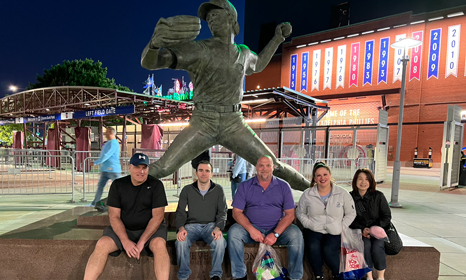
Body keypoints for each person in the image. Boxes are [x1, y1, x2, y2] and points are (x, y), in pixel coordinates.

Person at [141, 0, 311, 192]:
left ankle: (318, 191)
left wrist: (277, 39)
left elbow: (260, 63)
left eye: (216, 14)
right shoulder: (198, 49)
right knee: (164, 167)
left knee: (273, 165)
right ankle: (114, 196)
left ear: (231, 18)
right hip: (203, 121)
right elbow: (152, 63)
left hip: (234, 122)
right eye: (208, 17)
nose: (211, 19)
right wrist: (154, 45)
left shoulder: (243, 52)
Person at [83, 153, 170, 280]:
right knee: (102, 244)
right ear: (129, 168)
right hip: (125, 229)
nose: (141, 171)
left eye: (144, 168)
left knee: (159, 245)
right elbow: (114, 217)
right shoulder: (118, 185)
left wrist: (141, 242)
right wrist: (125, 241)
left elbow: (157, 217)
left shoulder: (156, 185)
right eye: (137, 167)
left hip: (150, 230)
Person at [227, 156, 304, 280]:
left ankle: (294, 277)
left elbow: (290, 214)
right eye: (261, 165)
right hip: (251, 230)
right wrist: (251, 230)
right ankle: (240, 275)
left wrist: (275, 234)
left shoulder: (284, 186)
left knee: (296, 234)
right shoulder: (245, 186)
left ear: (273, 168)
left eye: (268, 165)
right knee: (234, 233)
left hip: (277, 229)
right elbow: (236, 212)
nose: (264, 169)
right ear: (256, 167)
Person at [296, 162, 356, 280]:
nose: (322, 178)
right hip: (314, 228)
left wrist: (341, 226)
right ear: (314, 178)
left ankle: (337, 274)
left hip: (334, 230)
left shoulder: (342, 193)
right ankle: (318, 275)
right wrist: (308, 224)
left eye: (325, 174)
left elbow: (351, 213)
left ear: (330, 175)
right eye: (318, 175)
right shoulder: (308, 194)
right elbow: (300, 212)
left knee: (328, 249)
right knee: (313, 247)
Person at [175, 160, 227, 280]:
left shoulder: (218, 190)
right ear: (196, 173)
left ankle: (215, 275)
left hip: (211, 226)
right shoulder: (187, 190)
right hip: (191, 226)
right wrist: (181, 228)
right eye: (201, 170)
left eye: (207, 171)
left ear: (211, 174)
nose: (204, 173)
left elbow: (222, 212)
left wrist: (218, 228)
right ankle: (183, 276)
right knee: (181, 241)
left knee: (220, 242)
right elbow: (180, 212)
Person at [349, 168, 391, 280]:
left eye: (367, 179)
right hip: (360, 232)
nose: (363, 182)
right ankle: (369, 276)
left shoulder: (378, 196)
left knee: (377, 247)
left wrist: (373, 229)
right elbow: (348, 218)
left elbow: (387, 216)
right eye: (360, 179)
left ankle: (381, 276)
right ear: (355, 181)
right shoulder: (350, 197)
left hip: (377, 231)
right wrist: (362, 229)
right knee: (365, 245)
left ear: (371, 181)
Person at [90, 127, 121, 207]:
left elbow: (107, 155)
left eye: (106, 132)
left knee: (119, 188)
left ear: (111, 132)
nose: (104, 133)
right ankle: (95, 203)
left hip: (113, 170)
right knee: (100, 187)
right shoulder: (108, 143)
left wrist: (96, 162)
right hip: (105, 170)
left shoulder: (113, 143)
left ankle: (123, 203)